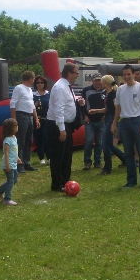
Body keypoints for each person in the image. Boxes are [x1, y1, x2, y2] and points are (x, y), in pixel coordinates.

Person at [111, 64, 140, 188]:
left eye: (129, 74)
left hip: (137, 121)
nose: (127, 77)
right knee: (128, 154)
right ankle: (131, 181)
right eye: (124, 75)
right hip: (124, 122)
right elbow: (117, 108)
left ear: (133, 74)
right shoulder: (120, 89)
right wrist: (114, 123)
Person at [46, 63, 82, 192]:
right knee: (58, 155)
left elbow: (66, 102)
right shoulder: (60, 87)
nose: (77, 76)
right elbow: (59, 109)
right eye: (76, 73)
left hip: (66, 124)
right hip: (57, 125)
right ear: (69, 73)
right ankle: (57, 183)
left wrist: (77, 101)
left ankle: (65, 180)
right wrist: (61, 129)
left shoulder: (66, 86)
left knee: (67, 155)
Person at [88, 75, 126, 175]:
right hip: (109, 118)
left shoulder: (113, 94)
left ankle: (107, 168)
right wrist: (96, 111)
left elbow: (117, 109)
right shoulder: (107, 94)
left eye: (102, 81)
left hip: (111, 119)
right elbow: (108, 109)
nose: (100, 83)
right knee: (109, 145)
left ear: (105, 83)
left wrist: (114, 122)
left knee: (105, 144)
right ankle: (125, 159)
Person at [10, 70, 40, 173]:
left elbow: (32, 105)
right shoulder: (19, 88)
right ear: (31, 79)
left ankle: (26, 162)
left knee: (29, 140)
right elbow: (13, 103)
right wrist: (14, 119)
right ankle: (19, 164)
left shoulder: (30, 90)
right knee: (21, 140)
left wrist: (36, 118)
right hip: (21, 115)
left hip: (29, 116)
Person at [81, 73, 106, 170]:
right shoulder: (86, 90)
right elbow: (82, 104)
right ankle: (87, 162)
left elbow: (108, 105)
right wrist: (84, 116)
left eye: (99, 80)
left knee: (99, 142)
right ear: (92, 81)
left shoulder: (105, 90)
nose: (97, 82)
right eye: (96, 80)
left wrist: (105, 115)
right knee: (89, 141)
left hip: (101, 120)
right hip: (89, 121)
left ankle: (98, 161)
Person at [0, 118, 21, 206]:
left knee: (14, 180)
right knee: (10, 181)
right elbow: (6, 153)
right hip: (8, 164)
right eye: (15, 126)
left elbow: (14, 150)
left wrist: (17, 158)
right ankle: (7, 199)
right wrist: (7, 165)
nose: (17, 127)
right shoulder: (7, 140)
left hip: (13, 163)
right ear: (10, 128)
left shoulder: (14, 138)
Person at [32, 75, 50, 165]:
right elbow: (29, 107)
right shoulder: (33, 95)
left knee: (47, 138)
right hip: (37, 119)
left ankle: (49, 157)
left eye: (41, 82)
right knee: (38, 139)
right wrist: (34, 105)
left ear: (44, 84)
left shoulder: (48, 94)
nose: (39, 84)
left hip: (46, 119)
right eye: (37, 82)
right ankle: (41, 158)